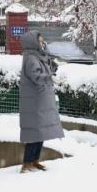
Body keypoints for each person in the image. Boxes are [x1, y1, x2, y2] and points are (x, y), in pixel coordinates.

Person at [19, 31, 64, 173]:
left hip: (41, 101)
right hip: (35, 103)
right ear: (33, 42)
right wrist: (50, 77)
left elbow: (48, 69)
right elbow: (37, 77)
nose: (42, 43)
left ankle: (35, 161)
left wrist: (52, 61)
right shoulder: (30, 59)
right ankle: (27, 163)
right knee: (34, 133)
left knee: (41, 133)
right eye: (40, 41)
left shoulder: (38, 56)